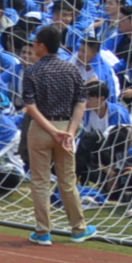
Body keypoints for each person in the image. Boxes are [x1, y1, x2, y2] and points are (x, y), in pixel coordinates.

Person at [16, 24, 92, 246]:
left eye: (34, 44)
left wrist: (51, 130)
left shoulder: (32, 71)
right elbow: (81, 102)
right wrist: (69, 132)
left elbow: (31, 107)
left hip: (41, 128)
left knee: (40, 181)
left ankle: (43, 231)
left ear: (42, 46)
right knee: (67, 181)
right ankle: (78, 228)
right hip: (66, 127)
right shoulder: (71, 69)